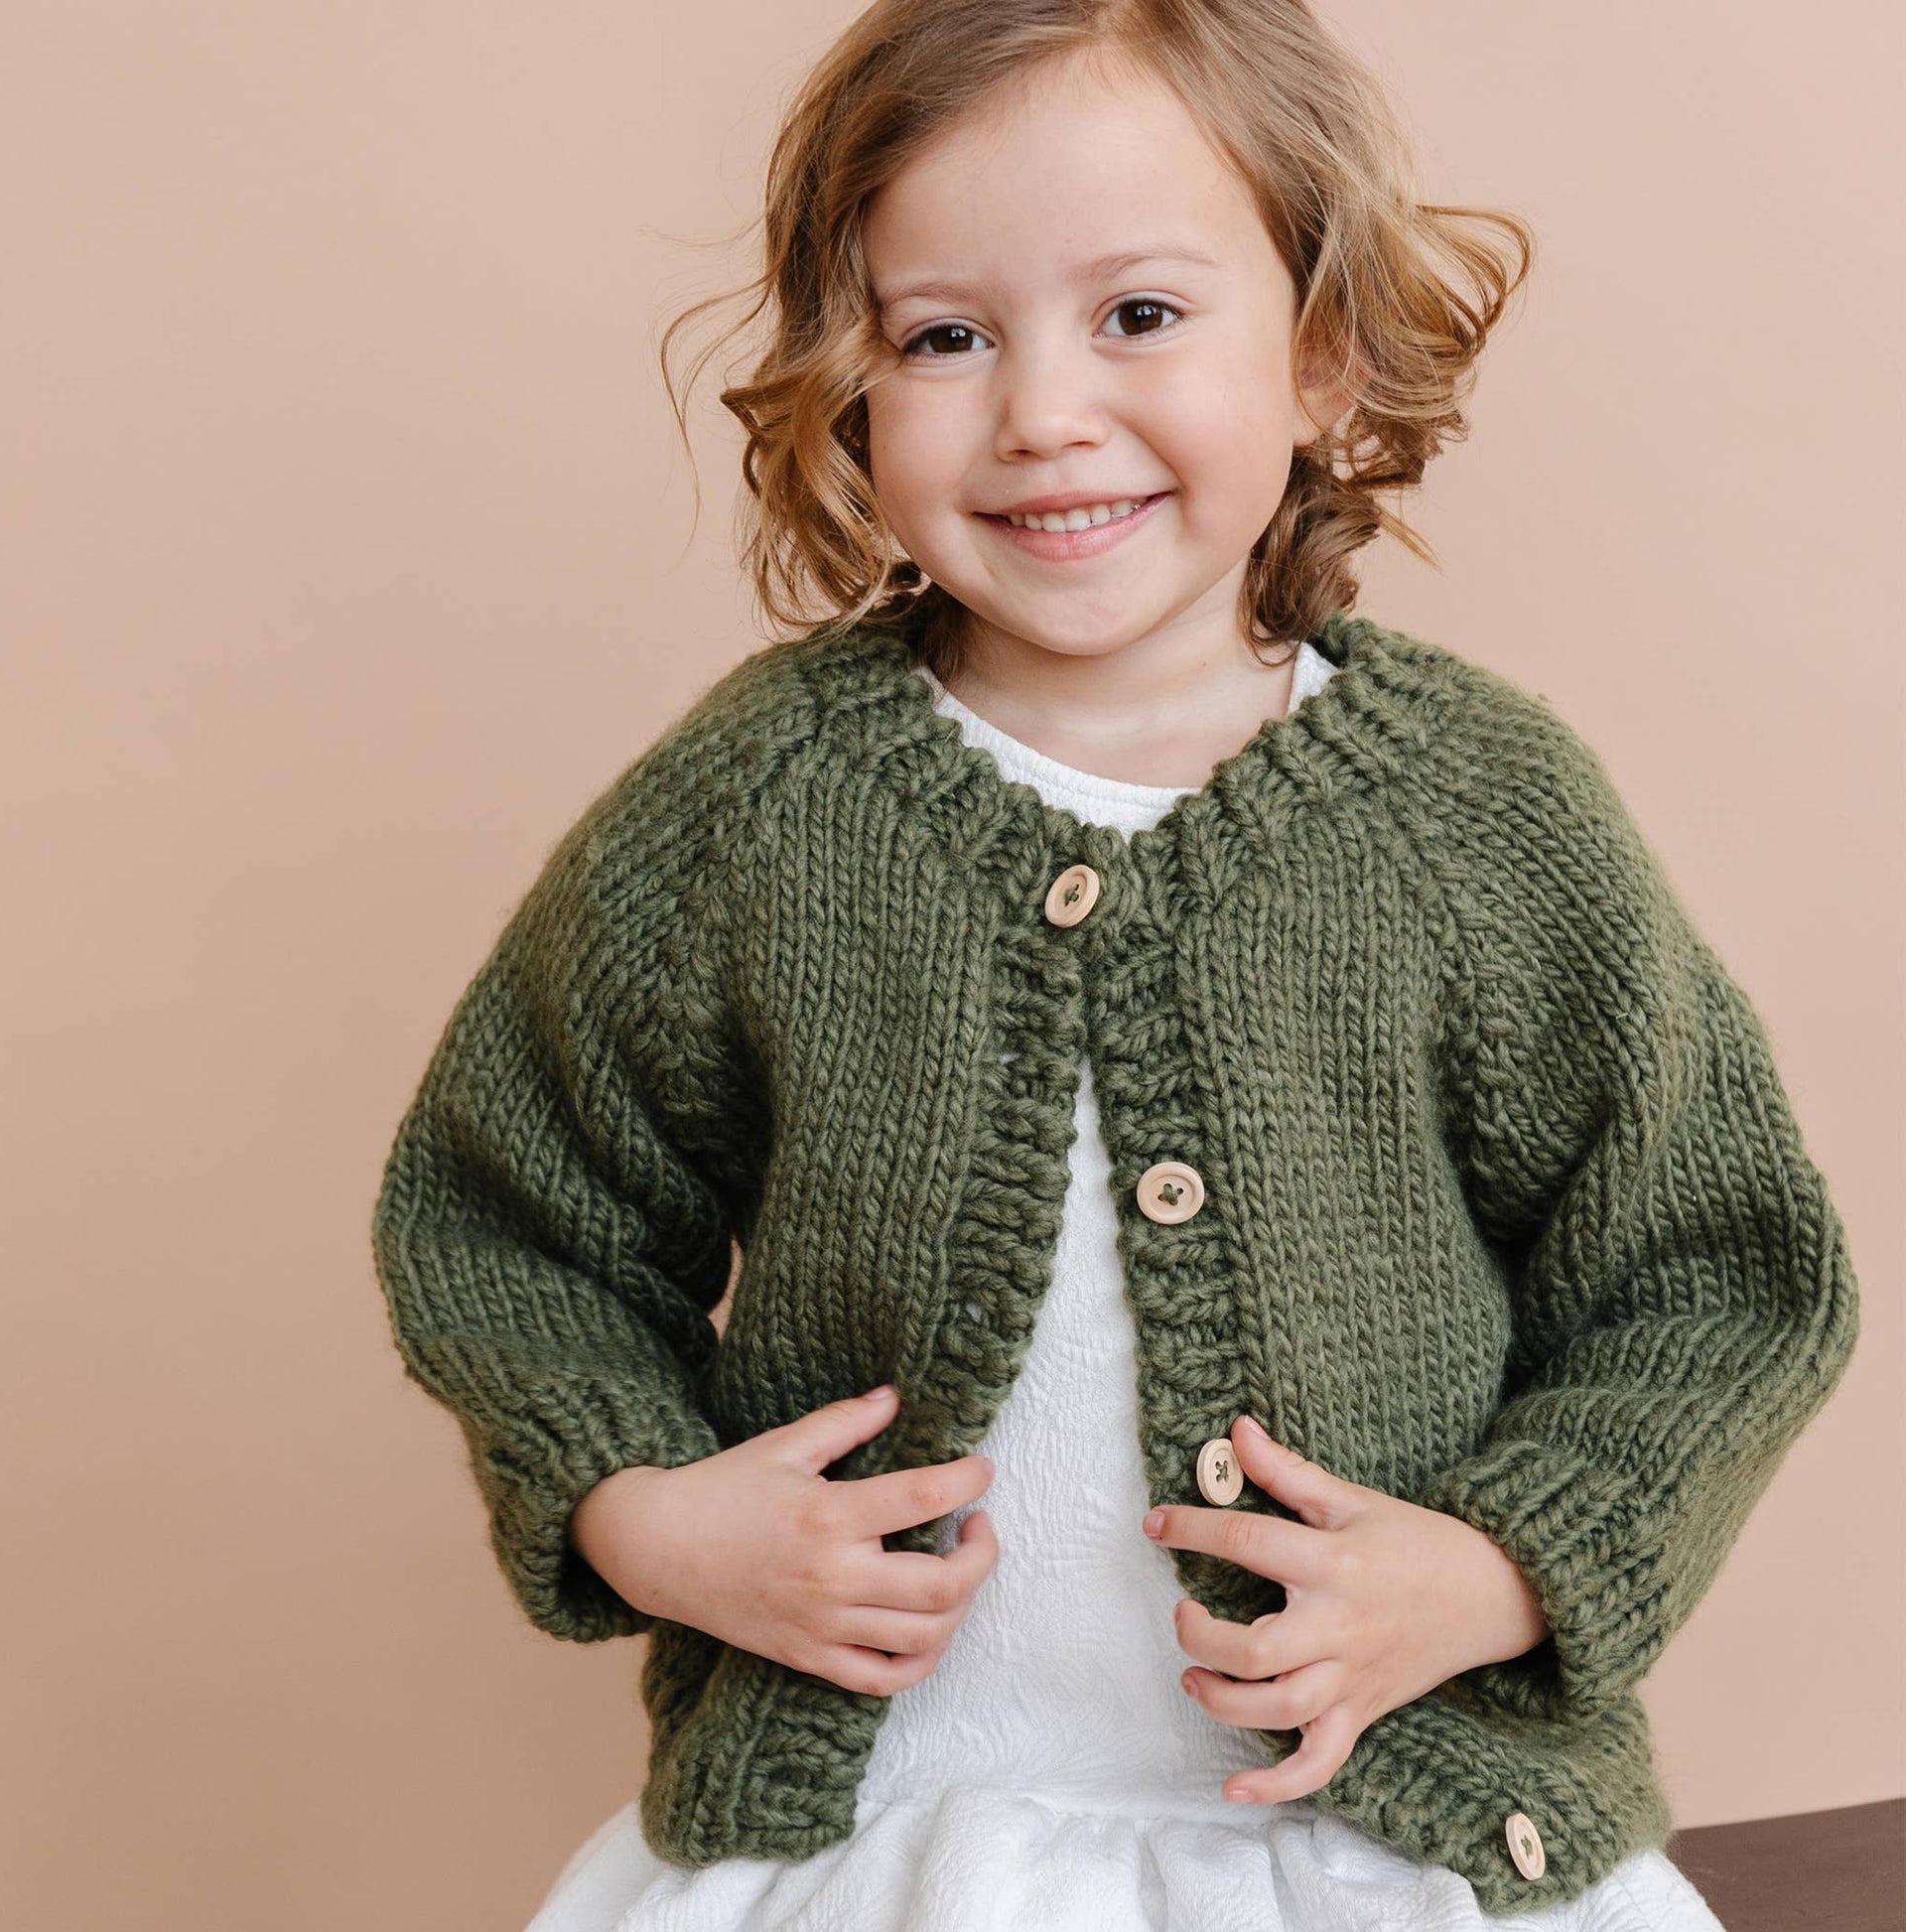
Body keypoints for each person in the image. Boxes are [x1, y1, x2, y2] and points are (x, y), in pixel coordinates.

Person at [368, 4, 1861, 1927]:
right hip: (888, 1825)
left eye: (1139, 314)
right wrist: (642, 1511)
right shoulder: (760, 805)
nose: (1041, 412)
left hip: (1373, 1836)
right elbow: (509, 1217)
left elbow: (1714, 1275)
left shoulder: (1477, 817)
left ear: (1319, 354)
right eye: (944, 336)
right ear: (846, 382)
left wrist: (1496, 1569)